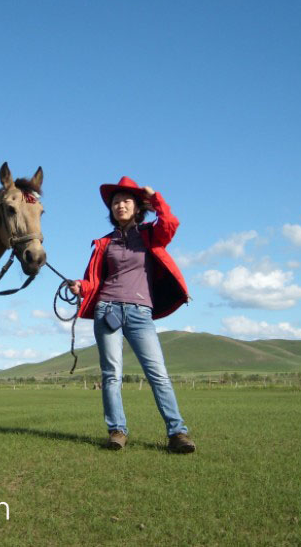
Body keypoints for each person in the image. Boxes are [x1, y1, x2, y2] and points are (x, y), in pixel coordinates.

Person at [69, 176, 195, 453]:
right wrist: (81, 286)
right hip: (107, 310)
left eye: (126, 201)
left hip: (140, 313)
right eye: (116, 202)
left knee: (158, 374)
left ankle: (178, 433)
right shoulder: (104, 243)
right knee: (111, 374)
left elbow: (171, 225)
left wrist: (157, 198)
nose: (120, 205)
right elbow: (96, 281)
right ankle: (117, 431)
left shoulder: (151, 234)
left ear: (138, 207)